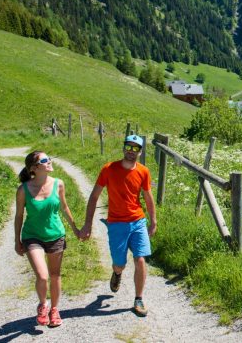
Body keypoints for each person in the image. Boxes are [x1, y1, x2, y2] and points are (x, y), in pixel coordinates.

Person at [79, 134, 156, 317]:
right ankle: (117, 273)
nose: (131, 151)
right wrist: (87, 224)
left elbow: (148, 196)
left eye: (135, 148)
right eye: (128, 147)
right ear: (123, 148)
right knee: (119, 264)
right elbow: (94, 196)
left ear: (140, 151)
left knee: (140, 259)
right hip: (116, 224)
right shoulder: (109, 169)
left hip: (138, 221)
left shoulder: (143, 171)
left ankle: (138, 299)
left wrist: (153, 221)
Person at [14, 151, 79, 327]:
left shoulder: (59, 184)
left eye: (49, 158)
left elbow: (64, 208)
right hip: (32, 236)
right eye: (44, 160)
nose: (49, 161)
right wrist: (17, 240)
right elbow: (19, 216)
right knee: (42, 276)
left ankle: (55, 309)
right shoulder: (23, 190)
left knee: (55, 275)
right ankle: (43, 305)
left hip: (55, 235)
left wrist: (75, 229)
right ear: (34, 168)